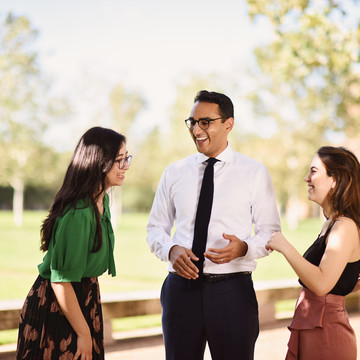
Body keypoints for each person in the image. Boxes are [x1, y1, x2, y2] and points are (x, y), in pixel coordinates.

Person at [147, 90, 281, 360]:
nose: (196, 129)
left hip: (233, 293)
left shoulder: (254, 173)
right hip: (180, 292)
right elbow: (155, 228)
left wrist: (245, 247)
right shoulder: (174, 173)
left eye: (205, 122)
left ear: (228, 124)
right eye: (192, 122)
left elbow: (270, 232)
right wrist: (171, 249)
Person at [16, 126, 132, 360]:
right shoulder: (79, 212)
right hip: (58, 307)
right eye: (119, 160)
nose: (126, 166)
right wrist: (83, 333)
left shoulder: (102, 200)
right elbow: (61, 281)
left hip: (83, 301)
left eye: (126, 158)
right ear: (99, 163)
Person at [266, 146, 360, 360]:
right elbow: (332, 278)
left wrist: (285, 246)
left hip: (326, 334)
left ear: (335, 180)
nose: (307, 178)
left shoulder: (344, 226)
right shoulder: (331, 223)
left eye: (314, 171)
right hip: (314, 325)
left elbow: (321, 284)